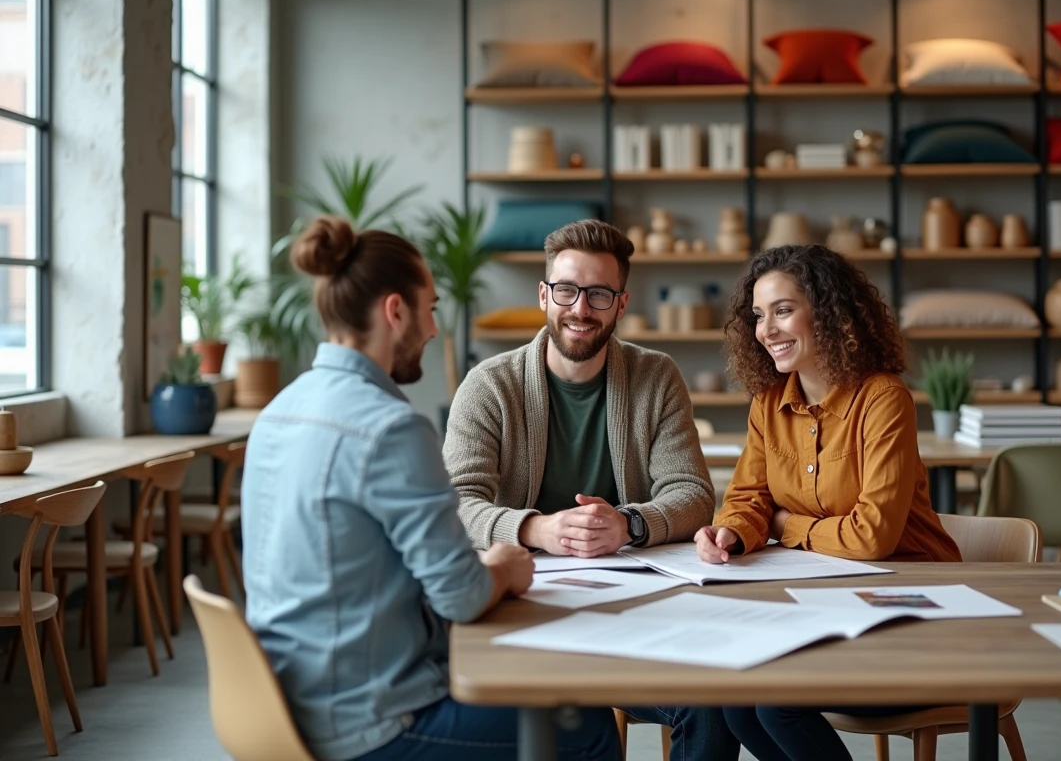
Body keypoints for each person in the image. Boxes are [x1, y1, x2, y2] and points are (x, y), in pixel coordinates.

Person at [241, 216, 619, 761]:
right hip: (371, 721)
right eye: (430, 309)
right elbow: (461, 597)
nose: (434, 330)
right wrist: (506, 567)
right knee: (585, 727)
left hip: (278, 704)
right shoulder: (388, 428)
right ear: (396, 311)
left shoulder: (280, 411)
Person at [444, 219, 740, 761]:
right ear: (544, 295)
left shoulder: (657, 376)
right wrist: (539, 529)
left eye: (599, 294)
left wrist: (627, 523)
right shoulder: (489, 385)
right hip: (528, 613)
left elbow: (693, 493)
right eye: (567, 290)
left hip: (639, 614)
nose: (580, 308)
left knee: (712, 701)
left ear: (621, 304)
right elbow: (457, 506)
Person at [694, 244, 961, 761]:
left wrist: (785, 524)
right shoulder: (768, 402)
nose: (765, 329)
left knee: (778, 704)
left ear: (830, 313)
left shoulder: (883, 399)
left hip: (911, 610)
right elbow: (749, 497)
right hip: (828, 603)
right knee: (734, 700)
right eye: (757, 315)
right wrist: (732, 530)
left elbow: (872, 537)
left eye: (783, 310)